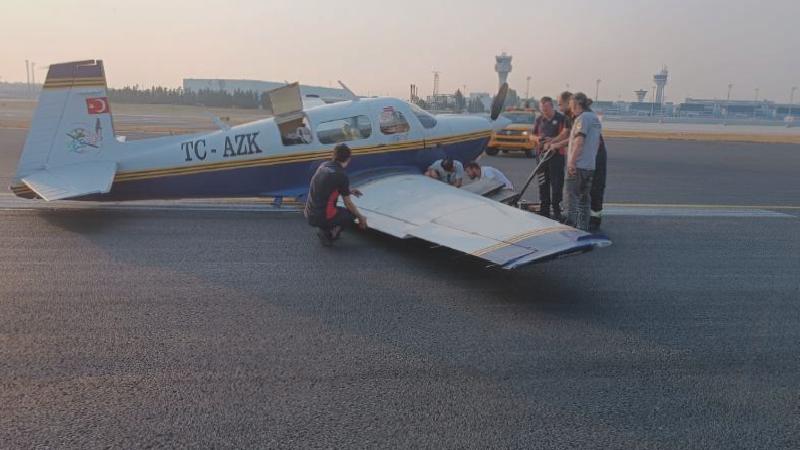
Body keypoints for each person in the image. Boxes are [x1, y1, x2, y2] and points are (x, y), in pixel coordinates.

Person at [304, 144, 368, 246]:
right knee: (350, 214)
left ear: (334, 155)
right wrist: (361, 218)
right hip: (321, 216)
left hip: (309, 213)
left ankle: (324, 228)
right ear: (348, 159)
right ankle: (329, 234)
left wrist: (349, 190)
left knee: (333, 209)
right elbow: (348, 204)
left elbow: (326, 186)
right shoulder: (341, 175)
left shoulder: (324, 166)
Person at [563, 92, 602, 231]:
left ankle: (569, 229)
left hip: (578, 166)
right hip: (589, 166)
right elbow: (597, 144)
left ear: (576, 104)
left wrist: (572, 162)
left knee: (571, 198)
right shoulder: (595, 119)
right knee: (584, 200)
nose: (569, 107)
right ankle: (582, 228)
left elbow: (579, 141)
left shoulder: (582, 118)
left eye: (571, 104)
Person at [532, 96, 567, 220]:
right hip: (541, 156)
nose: (544, 111)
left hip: (556, 156)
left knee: (556, 184)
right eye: (542, 108)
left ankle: (556, 209)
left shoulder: (561, 119)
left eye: (546, 108)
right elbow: (532, 136)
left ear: (552, 106)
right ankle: (544, 209)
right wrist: (538, 139)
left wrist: (552, 141)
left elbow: (566, 135)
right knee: (543, 182)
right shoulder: (539, 120)